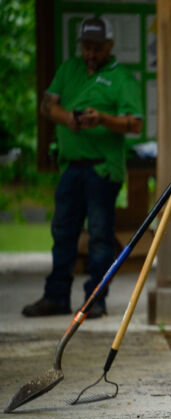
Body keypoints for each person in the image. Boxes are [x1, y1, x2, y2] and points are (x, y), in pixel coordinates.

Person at [22, 17, 143, 319]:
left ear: (110, 46)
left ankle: (94, 300)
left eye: (97, 48)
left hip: (102, 171)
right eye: (86, 47)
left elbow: (135, 124)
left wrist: (102, 118)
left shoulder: (123, 79)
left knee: (100, 236)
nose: (90, 54)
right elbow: (48, 105)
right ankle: (56, 297)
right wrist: (69, 120)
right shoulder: (69, 69)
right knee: (63, 233)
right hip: (71, 167)